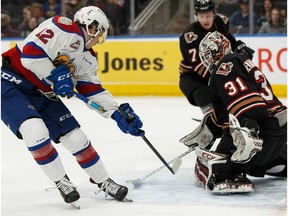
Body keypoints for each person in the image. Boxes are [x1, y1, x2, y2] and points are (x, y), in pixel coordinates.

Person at [1, 6, 144, 208]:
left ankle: (103, 180)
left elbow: (91, 90)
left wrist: (116, 112)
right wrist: (55, 76)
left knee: (76, 137)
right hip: (10, 82)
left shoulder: (88, 57)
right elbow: (30, 55)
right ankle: (62, 181)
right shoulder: (63, 27)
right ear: (92, 27)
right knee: (34, 130)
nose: (98, 38)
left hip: (42, 92)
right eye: (99, 32)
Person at [193, 31, 287, 193]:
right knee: (261, 158)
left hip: (261, 131)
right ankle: (276, 161)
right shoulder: (239, 60)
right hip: (278, 129)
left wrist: (248, 128)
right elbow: (227, 113)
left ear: (217, 51)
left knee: (215, 162)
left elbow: (250, 106)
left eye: (208, 54)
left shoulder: (225, 65)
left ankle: (228, 171)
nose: (207, 59)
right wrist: (212, 126)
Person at [178, 0, 254, 147]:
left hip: (217, 74)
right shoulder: (189, 35)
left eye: (208, 15)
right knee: (214, 112)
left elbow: (230, 42)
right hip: (194, 79)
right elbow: (198, 66)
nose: (205, 19)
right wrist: (223, 78)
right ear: (196, 16)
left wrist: (240, 47)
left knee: (230, 106)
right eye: (201, 16)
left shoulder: (220, 22)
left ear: (214, 14)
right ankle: (206, 137)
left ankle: (231, 135)